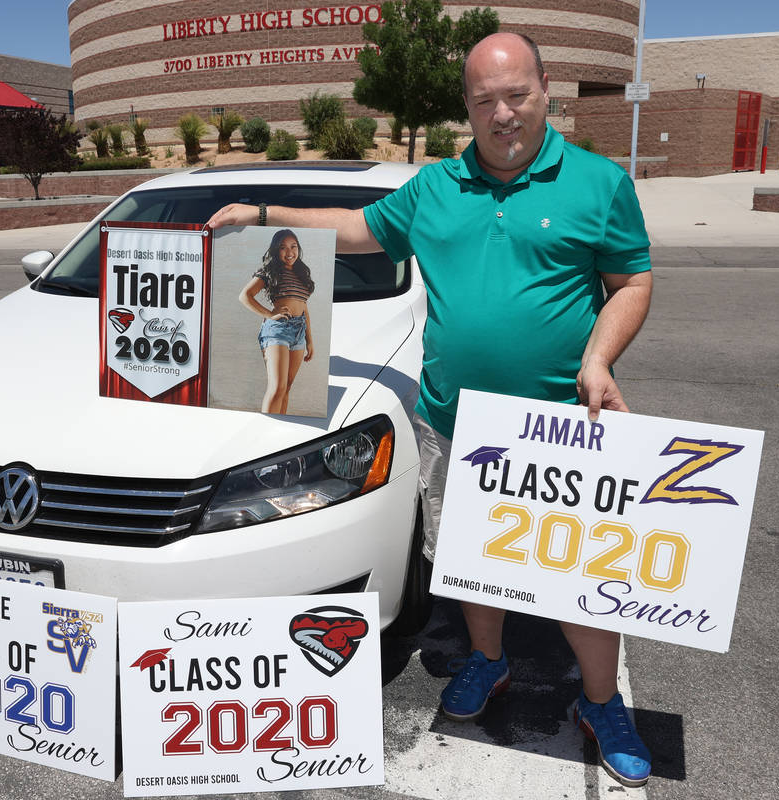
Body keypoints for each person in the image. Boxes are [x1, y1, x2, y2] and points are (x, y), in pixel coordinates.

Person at [208, 32, 654, 787]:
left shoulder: (599, 184)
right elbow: (354, 231)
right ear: (467, 107)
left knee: (580, 577)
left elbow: (631, 282)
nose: (503, 115)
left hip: (567, 428)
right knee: (472, 566)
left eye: (517, 95)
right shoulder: (434, 188)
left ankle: (603, 702)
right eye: (485, 101)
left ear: (546, 89)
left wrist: (598, 359)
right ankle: (488, 662)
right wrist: (259, 211)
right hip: (458, 424)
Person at [239, 229, 316, 414]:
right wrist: (269, 314)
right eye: (283, 247)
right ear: (276, 250)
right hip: (278, 330)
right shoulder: (269, 271)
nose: (289, 252)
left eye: (293, 246)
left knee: (287, 387)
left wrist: (310, 339)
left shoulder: (301, 273)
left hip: (299, 330)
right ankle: (264, 432)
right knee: (277, 388)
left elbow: (303, 306)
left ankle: (279, 428)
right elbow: (244, 296)